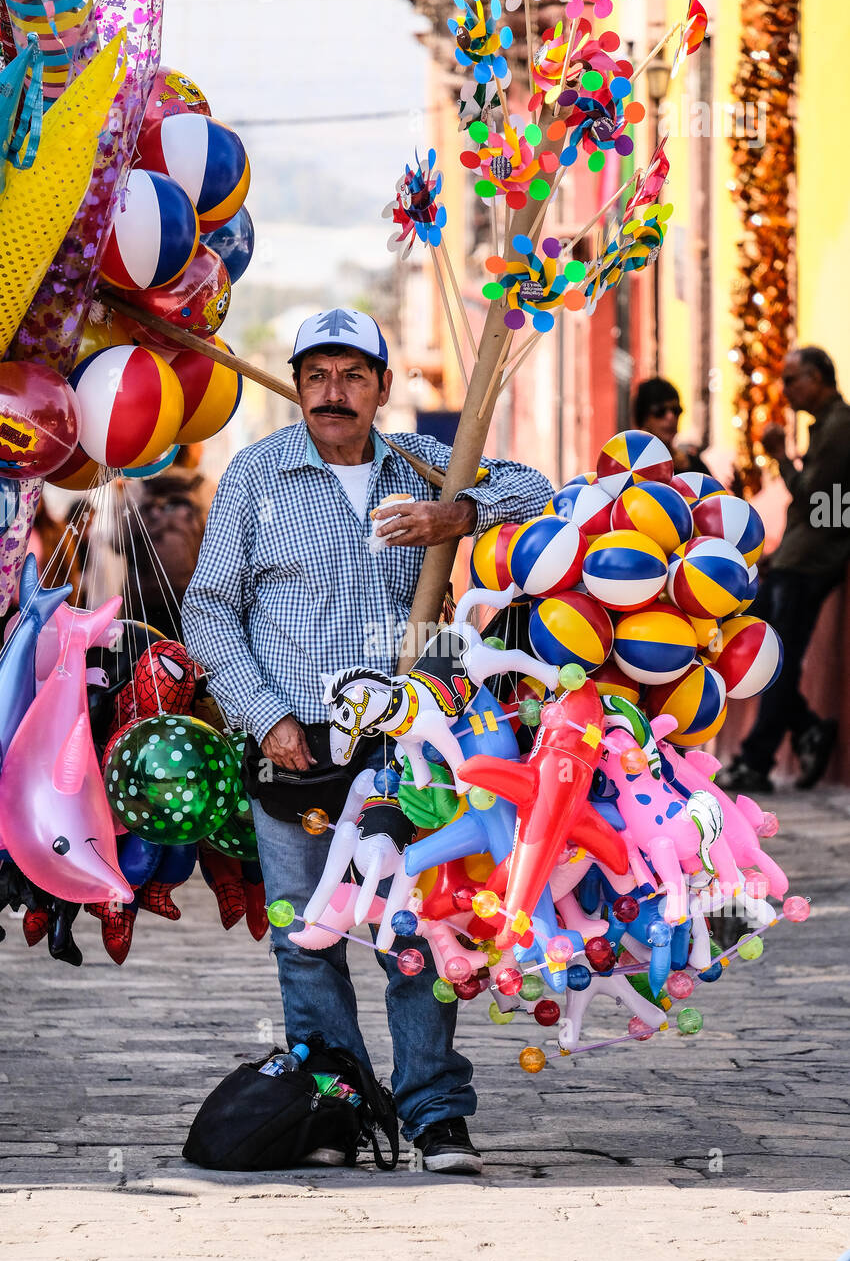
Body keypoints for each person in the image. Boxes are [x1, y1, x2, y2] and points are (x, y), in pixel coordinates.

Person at [183, 308, 553, 1173]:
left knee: (412, 930)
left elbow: (537, 492)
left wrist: (454, 515)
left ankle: (434, 1114)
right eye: (317, 376)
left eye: (353, 376)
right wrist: (262, 715)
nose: (332, 393)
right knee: (303, 936)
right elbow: (209, 609)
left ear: (384, 388)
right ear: (298, 386)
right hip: (295, 741)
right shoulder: (256, 476)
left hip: (407, 746)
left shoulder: (424, 467)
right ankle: (336, 1111)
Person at [717, 346, 850, 794]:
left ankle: (757, 759)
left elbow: (816, 502)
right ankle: (808, 728)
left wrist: (779, 455)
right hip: (796, 558)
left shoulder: (840, 427)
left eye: (791, 380)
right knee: (771, 656)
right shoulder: (827, 427)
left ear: (817, 378)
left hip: (812, 561)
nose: (785, 390)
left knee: (778, 658)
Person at [129, 444, 214, 641]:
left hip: (147, 600)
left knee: (149, 659)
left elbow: (118, 541)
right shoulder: (204, 487)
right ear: (190, 450)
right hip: (193, 597)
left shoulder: (141, 488)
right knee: (190, 661)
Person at [633, 377, 712, 476]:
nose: (671, 417)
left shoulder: (696, 467)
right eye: (660, 411)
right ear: (644, 418)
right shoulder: (628, 469)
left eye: (676, 410)